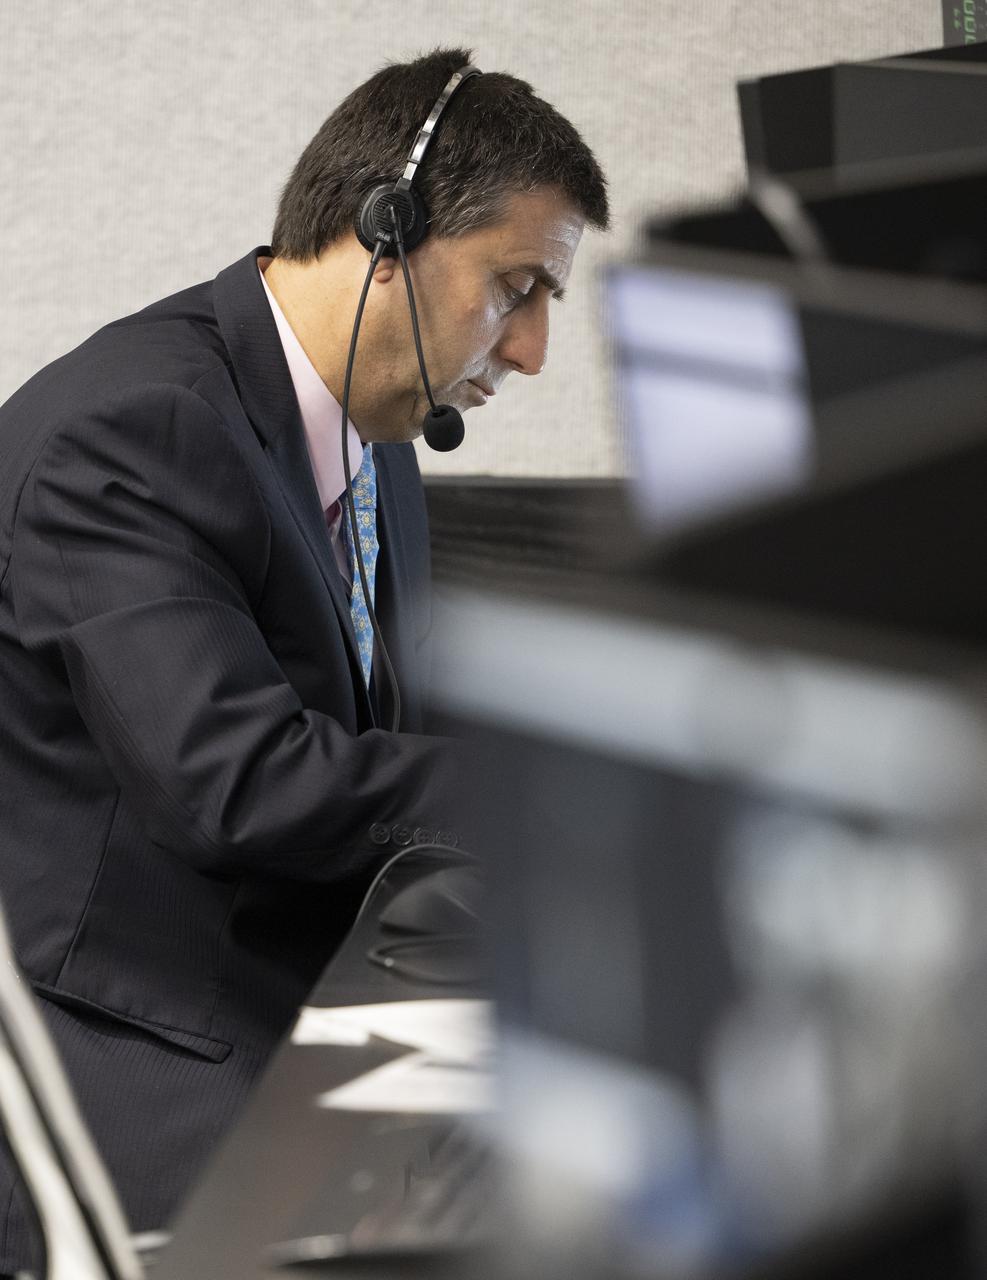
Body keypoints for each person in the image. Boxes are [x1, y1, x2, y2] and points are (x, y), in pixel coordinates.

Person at [0, 46, 608, 1271]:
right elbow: (240, 782)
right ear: (386, 231)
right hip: (137, 1016)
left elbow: (386, 729)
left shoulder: (368, 427)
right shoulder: (134, 432)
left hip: (283, 946)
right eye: (516, 287)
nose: (535, 348)